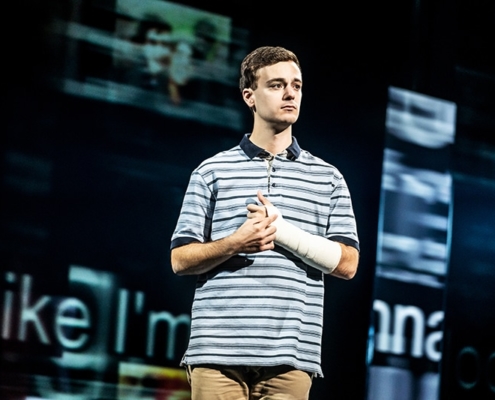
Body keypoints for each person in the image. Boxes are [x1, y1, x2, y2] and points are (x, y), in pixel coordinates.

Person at [170, 46, 359, 400]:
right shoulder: (212, 172)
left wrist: (282, 232)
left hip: (291, 359)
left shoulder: (328, 178)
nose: (290, 93)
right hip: (216, 355)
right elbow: (180, 260)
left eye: (296, 86)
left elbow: (348, 264)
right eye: (276, 85)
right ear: (249, 96)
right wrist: (236, 242)